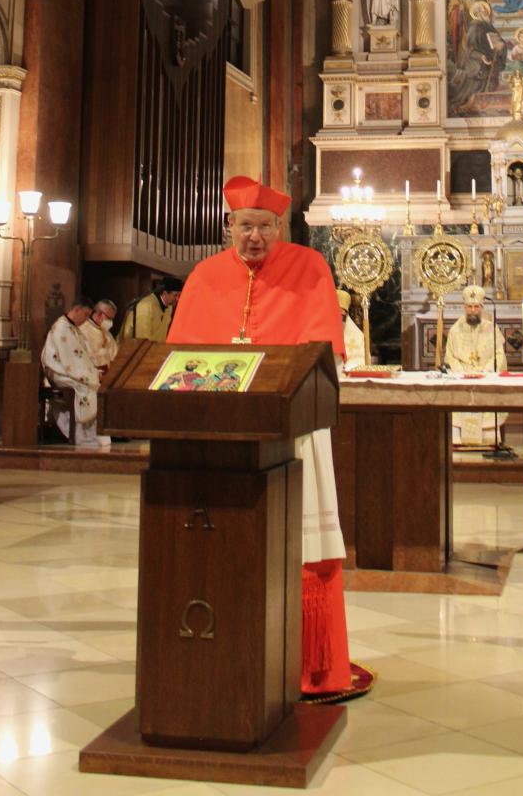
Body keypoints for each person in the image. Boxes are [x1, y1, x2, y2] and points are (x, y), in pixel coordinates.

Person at [167, 175, 351, 698]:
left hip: (295, 430)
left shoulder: (309, 268)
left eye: (266, 227)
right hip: (220, 436)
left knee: (301, 544)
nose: (255, 237)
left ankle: (310, 667)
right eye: (245, 227)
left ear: (279, 227)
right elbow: (179, 363)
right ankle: (225, 653)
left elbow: (324, 356)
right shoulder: (204, 277)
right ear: (228, 225)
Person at [41, 298, 111, 448]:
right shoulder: (62, 329)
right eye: (85, 315)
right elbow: (71, 361)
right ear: (77, 310)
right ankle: (82, 436)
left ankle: (92, 435)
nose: (86, 319)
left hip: (71, 372)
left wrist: (94, 372)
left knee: (95, 387)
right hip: (60, 373)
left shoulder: (73, 328)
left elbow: (82, 357)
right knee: (88, 389)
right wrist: (93, 375)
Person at [445, 285, 507, 447]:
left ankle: (489, 438)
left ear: (482, 307)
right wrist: (461, 373)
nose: (472, 310)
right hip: (462, 378)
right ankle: (458, 439)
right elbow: (450, 357)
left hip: (485, 377)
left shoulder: (491, 328)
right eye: (469, 306)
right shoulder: (455, 330)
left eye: (476, 306)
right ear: (464, 307)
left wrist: (486, 371)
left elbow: (499, 355)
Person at [121, 275, 179, 340]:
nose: (177, 299)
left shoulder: (169, 308)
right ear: (165, 293)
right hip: (132, 345)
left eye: (179, 295)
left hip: (156, 346)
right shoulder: (145, 305)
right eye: (175, 295)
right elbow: (142, 338)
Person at [80, 298, 117, 376]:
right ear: (100, 314)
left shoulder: (107, 334)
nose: (111, 322)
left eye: (112, 319)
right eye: (109, 318)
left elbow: (115, 355)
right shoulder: (82, 329)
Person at [337, 288, 366, 371]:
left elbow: (360, 360)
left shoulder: (357, 335)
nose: (339, 319)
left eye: (342, 315)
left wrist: (347, 368)